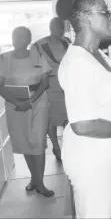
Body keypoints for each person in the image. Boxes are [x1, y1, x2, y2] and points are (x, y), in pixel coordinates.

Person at [55, 0, 111, 218]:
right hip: (91, 161)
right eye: (105, 12)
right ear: (86, 18)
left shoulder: (100, 54)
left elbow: (105, 101)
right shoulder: (77, 63)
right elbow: (82, 124)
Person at [0, 26, 54, 197]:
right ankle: (34, 178)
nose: (17, 40)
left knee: (38, 140)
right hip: (15, 105)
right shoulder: (4, 59)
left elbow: (45, 83)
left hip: (38, 102)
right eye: (14, 36)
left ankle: (40, 183)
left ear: (28, 40)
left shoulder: (37, 55)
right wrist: (18, 103)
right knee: (25, 141)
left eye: (21, 37)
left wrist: (30, 101)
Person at [32, 17, 71, 162]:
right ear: (50, 28)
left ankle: (68, 145)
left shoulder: (67, 42)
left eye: (61, 28)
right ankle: (55, 146)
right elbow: (34, 69)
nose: (59, 31)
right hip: (49, 86)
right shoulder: (39, 45)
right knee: (51, 120)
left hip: (66, 86)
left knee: (68, 118)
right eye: (56, 28)